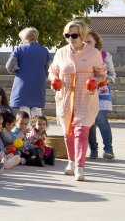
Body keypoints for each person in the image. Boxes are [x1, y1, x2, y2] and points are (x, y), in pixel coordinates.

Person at [49, 21, 107, 181]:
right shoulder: (60, 52)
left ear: (82, 35)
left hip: (85, 97)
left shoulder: (93, 53)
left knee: (81, 131)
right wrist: (54, 80)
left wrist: (95, 80)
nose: (70, 38)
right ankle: (71, 161)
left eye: (74, 35)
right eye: (67, 35)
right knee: (68, 132)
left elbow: (103, 75)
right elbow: (52, 71)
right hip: (65, 97)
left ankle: (80, 167)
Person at [6, 27, 51, 119]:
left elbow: (9, 66)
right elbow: (49, 68)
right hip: (38, 84)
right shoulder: (44, 50)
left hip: (22, 84)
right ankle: (36, 132)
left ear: (24, 38)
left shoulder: (19, 49)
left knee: (23, 113)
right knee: (37, 113)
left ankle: (24, 131)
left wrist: (19, 72)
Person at [85, 29, 116, 159]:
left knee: (101, 119)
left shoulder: (105, 55)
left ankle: (108, 149)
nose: (86, 44)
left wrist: (104, 81)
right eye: (84, 41)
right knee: (90, 122)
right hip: (86, 91)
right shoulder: (80, 56)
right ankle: (93, 150)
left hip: (102, 91)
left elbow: (112, 74)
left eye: (89, 41)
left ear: (96, 42)